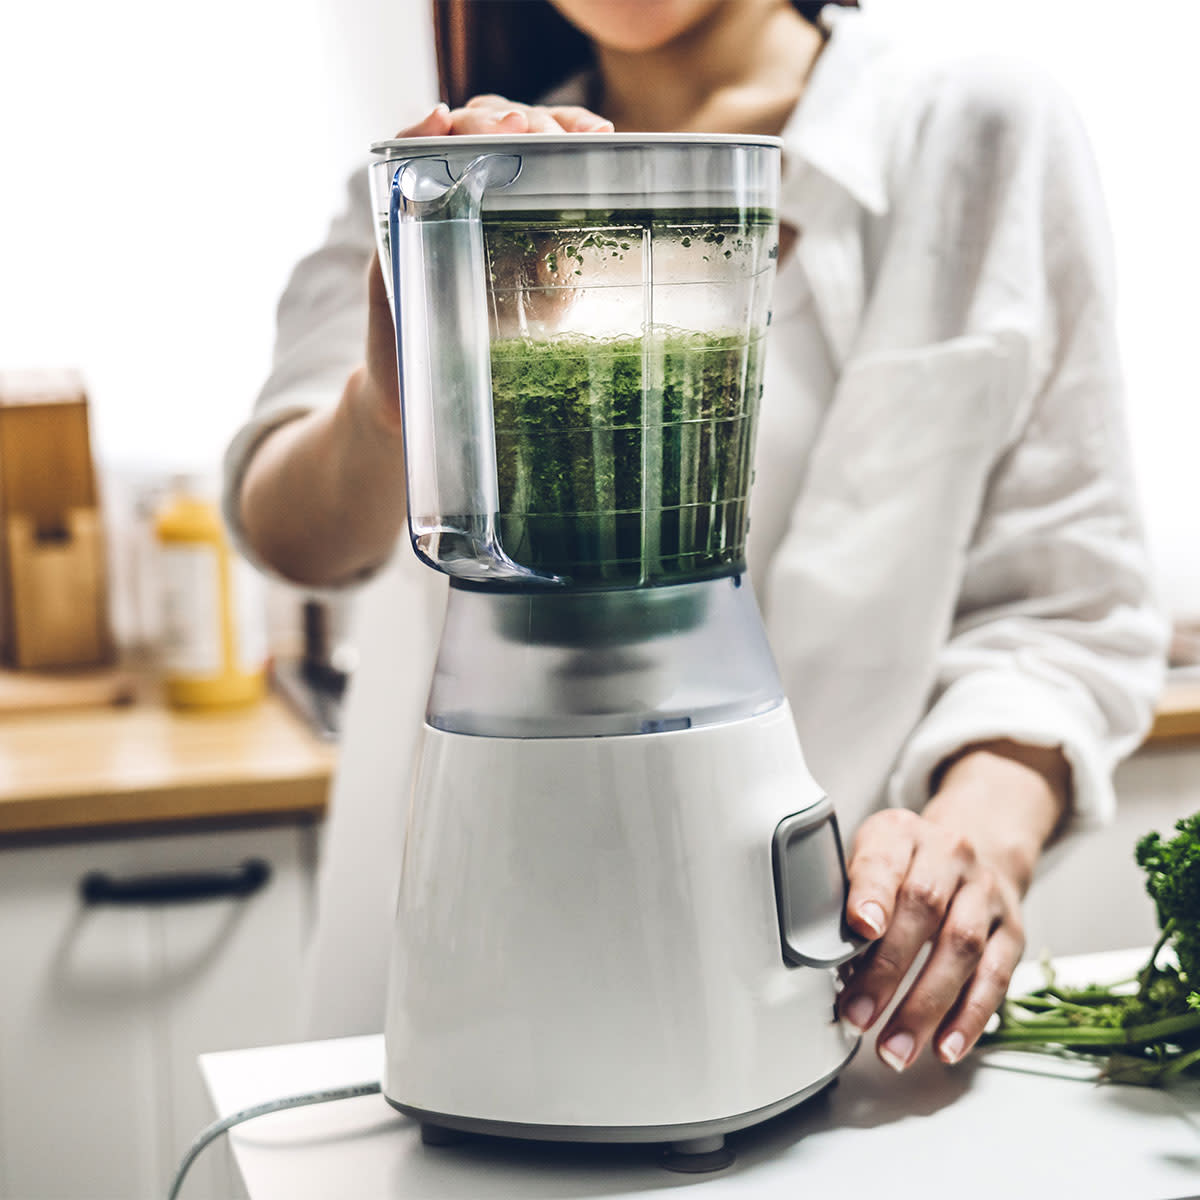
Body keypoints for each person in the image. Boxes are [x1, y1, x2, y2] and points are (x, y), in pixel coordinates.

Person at [225, 0, 1167, 1075]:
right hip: (445, 978)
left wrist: (975, 841)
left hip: (826, 1005)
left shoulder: (976, 128)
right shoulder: (441, 181)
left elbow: (1067, 609)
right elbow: (289, 529)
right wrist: (397, 400)